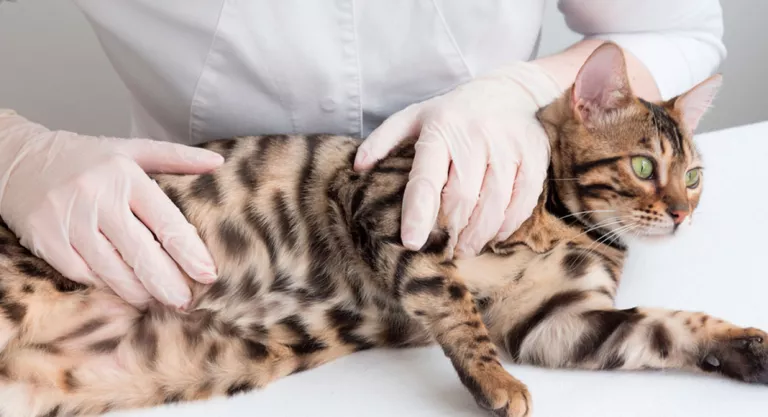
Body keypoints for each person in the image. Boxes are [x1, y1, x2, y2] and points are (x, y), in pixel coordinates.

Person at [0, 1, 725, 310]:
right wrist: (16, 154)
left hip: (490, 246)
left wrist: (525, 87)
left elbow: (681, 25)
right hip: (181, 260)